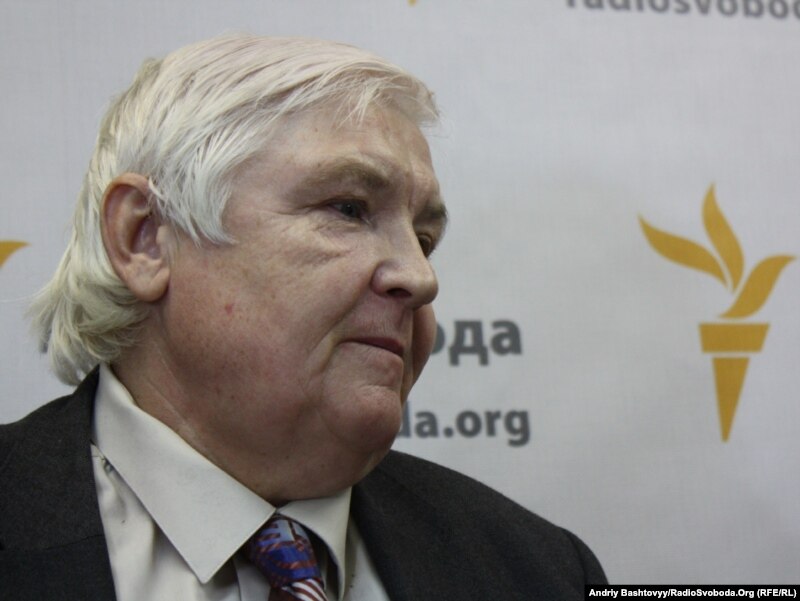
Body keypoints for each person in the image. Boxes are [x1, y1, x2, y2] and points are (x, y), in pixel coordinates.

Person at [0, 34, 606, 600]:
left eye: (424, 240)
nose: (422, 279)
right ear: (146, 238)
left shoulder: (542, 570)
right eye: (349, 209)